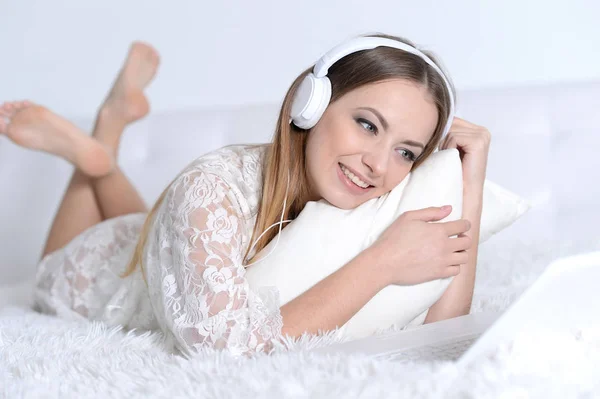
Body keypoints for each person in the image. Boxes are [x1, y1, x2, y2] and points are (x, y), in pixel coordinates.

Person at [0, 33, 491, 358]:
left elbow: (444, 338)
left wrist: (470, 181)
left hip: (161, 237)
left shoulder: (383, 195)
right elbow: (222, 350)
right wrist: (381, 263)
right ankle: (100, 146)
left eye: (406, 151)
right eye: (367, 124)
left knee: (150, 228)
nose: (379, 165)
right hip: (105, 269)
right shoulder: (211, 187)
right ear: (310, 105)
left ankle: (105, 148)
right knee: (49, 272)